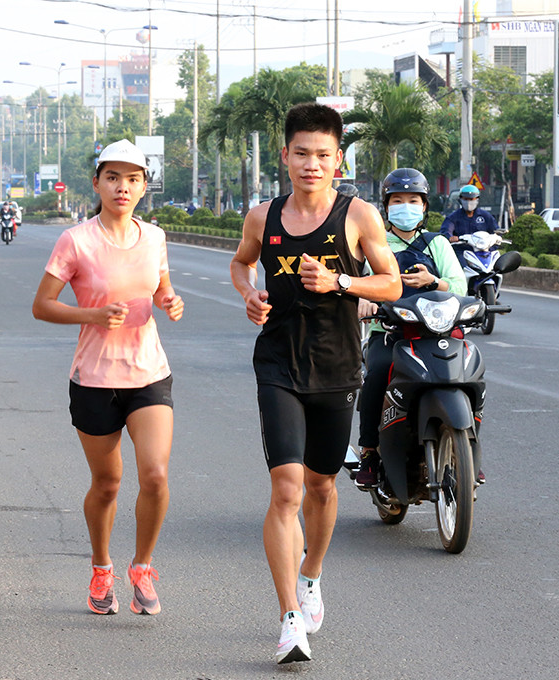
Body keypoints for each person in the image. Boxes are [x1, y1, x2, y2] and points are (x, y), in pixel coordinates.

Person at [230, 102, 401, 665]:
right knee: (286, 488)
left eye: (322, 155)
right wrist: (249, 294)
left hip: (336, 366)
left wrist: (340, 282)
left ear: (337, 160)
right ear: (285, 156)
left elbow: (392, 286)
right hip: (277, 363)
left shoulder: (359, 217)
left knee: (322, 486)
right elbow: (241, 264)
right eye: (301, 153)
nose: (311, 164)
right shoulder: (263, 217)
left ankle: (311, 574)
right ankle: (288, 620)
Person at [32, 139, 184, 618]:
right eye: (113, 177)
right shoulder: (75, 240)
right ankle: (101, 567)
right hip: (94, 379)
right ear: (97, 183)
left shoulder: (155, 238)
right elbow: (43, 305)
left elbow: (162, 288)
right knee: (108, 483)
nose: (123, 187)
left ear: (144, 187)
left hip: (149, 373)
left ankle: (141, 566)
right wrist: (93, 315)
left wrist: (170, 302)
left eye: (133, 179)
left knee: (155, 476)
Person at [353, 168, 468, 488]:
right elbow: (362, 281)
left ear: (424, 206)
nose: (406, 206)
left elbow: (460, 285)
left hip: (436, 333)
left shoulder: (438, 244)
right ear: (386, 207)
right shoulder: (374, 243)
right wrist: (365, 298)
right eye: (398, 200)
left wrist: (434, 281)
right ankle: (369, 453)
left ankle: (466, 449)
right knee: (378, 371)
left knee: (468, 370)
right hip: (390, 333)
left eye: (413, 200)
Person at [440, 185, 499, 267]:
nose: (468, 202)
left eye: (471, 199)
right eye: (465, 199)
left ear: (477, 199)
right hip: (462, 252)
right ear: (460, 200)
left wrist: (495, 240)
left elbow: (496, 231)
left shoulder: (485, 216)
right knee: (462, 268)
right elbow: (446, 231)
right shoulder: (453, 217)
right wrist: (450, 237)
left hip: (483, 252)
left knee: (497, 267)